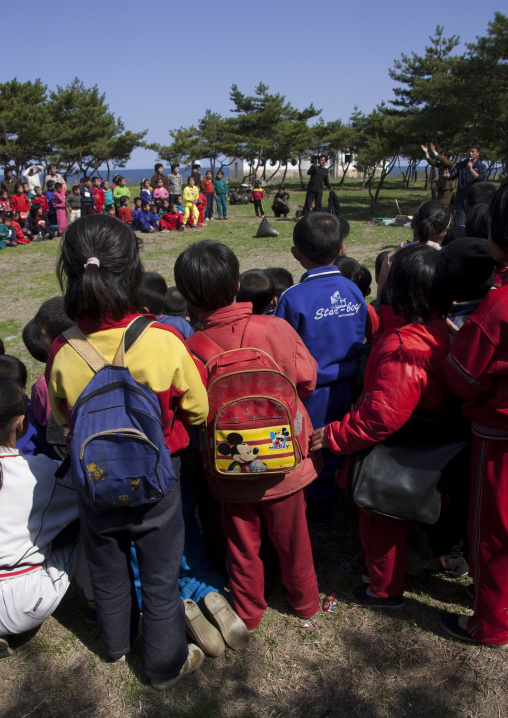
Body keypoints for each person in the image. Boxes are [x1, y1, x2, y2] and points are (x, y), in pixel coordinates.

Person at [46, 214, 209, 688]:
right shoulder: (163, 340)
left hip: (93, 479)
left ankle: (116, 647)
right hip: (161, 476)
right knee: (160, 575)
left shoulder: (63, 348)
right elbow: (197, 409)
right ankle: (162, 667)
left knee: (107, 565)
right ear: (132, 267)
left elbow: (63, 420)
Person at [175, 240, 321, 631]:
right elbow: (306, 379)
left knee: (242, 544)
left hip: (229, 466)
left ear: (187, 296)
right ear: (237, 285)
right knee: (295, 538)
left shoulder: (191, 348)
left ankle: (249, 611)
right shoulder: (276, 328)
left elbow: (193, 411)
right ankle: (305, 603)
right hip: (285, 458)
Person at [311, 244, 454, 608]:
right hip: (430, 445)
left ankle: (383, 589)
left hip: (397, 451)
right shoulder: (441, 327)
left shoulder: (403, 347)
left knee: (380, 521)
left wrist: (333, 436)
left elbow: (381, 416)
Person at [441, 184, 508, 647]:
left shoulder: (498, 307)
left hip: (499, 435)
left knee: (494, 531)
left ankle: (491, 623)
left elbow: (463, 377)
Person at [274, 213, 367, 522]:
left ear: (296, 254)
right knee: (336, 440)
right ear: (341, 249)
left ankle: (316, 506)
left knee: (310, 445)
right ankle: (332, 499)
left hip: (310, 391)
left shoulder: (292, 297)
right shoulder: (354, 290)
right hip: (349, 385)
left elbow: (282, 348)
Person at [0, 377, 94, 656]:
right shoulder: (37, 471)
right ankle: (96, 606)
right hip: (23, 603)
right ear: (20, 421)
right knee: (83, 520)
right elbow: (85, 493)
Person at [443, 144, 488, 226]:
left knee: (474, 224)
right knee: (460, 224)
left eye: (473, 151)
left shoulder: (481, 166)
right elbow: (452, 173)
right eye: (468, 151)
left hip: (475, 200)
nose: (470, 153)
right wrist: (447, 175)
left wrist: (471, 169)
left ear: (478, 153)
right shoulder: (461, 165)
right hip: (461, 200)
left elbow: (482, 179)